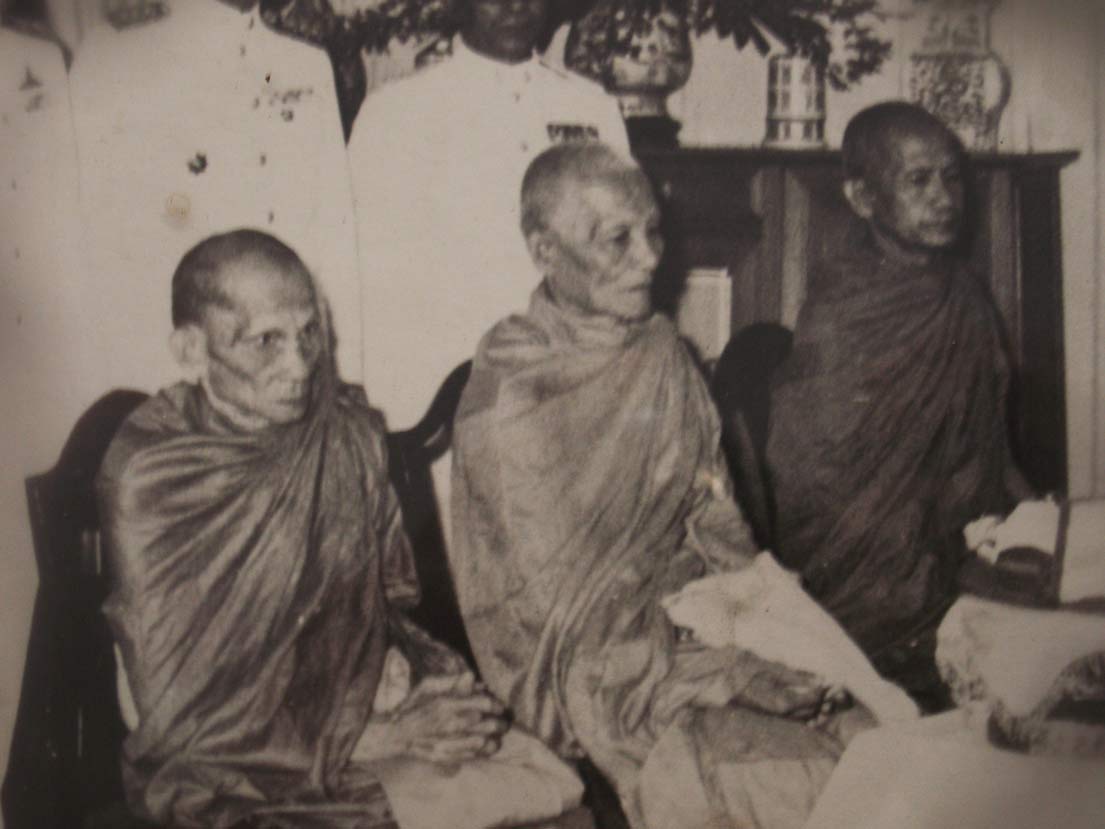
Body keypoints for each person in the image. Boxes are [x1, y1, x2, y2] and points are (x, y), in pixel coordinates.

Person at [95, 229, 584, 829]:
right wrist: (378, 736)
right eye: (265, 342)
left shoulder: (341, 433)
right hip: (233, 766)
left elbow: (383, 604)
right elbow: (180, 719)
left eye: (309, 333)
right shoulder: (155, 476)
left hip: (347, 715)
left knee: (551, 779)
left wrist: (407, 683)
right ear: (192, 351)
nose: (299, 366)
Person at [451, 143, 877, 829]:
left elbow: (717, 523)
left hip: (695, 634)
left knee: (878, 735)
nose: (649, 257)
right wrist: (726, 675)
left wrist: (770, 632)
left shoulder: (659, 352)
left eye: (652, 230)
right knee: (816, 783)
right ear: (544, 251)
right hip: (603, 685)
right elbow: (556, 639)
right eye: (616, 239)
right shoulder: (513, 396)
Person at [765, 101, 1032, 704]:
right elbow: (811, 474)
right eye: (918, 180)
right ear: (862, 198)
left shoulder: (965, 296)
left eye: (952, 177)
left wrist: (1037, 523)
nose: (943, 198)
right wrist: (919, 542)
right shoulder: (843, 306)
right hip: (868, 567)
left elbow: (992, 448)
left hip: (955, 543)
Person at [68, 0, 363, 411]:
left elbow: (334, 237)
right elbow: (107, 250)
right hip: (189, 383)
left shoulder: (304, 62)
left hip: (295, 374)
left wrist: (343, 384)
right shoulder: (118, 58)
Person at [347, 0, 629, 431]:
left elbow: (620, 260)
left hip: (569, 385)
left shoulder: (592, 109)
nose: (514, 5)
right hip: (443, 395)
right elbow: (366, 279)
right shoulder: (395, 113)